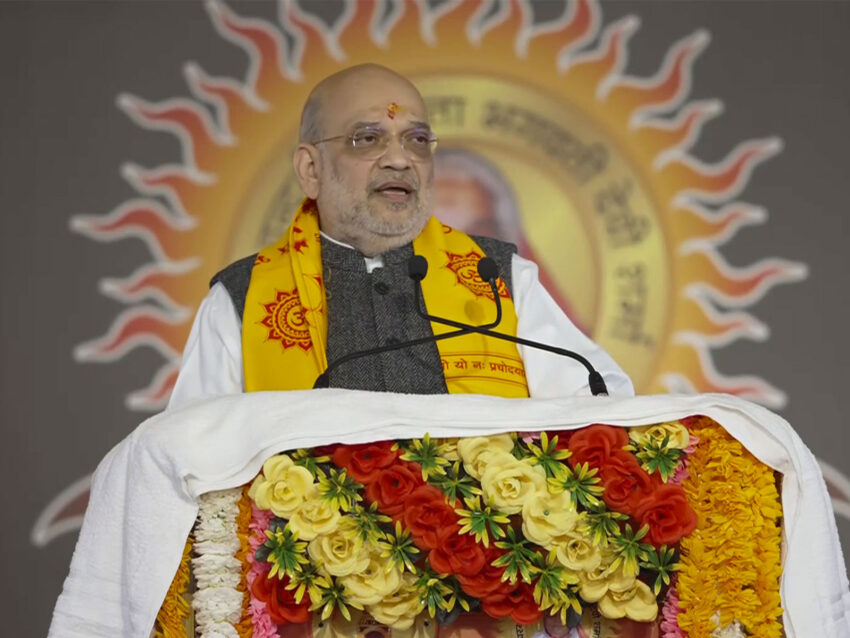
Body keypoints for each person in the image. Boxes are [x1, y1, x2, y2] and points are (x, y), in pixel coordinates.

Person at [167, 63, 632, 408]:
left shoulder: (500, 279)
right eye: (367, 139)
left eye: (417, 140)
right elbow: (189, 453)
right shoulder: (242, 300)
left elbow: (600, 404)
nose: (399, 159)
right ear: (311, 169)